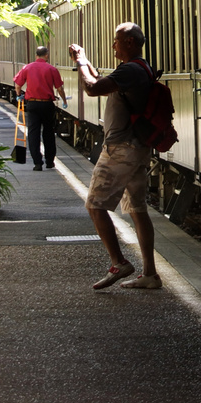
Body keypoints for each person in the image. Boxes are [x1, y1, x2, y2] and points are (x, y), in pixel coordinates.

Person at [68, 23, 162, 291]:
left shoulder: (131, 69)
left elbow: (92, 88)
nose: (113, 46)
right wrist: (87, 65)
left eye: (116, 41)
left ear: (130, 42)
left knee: (95, 205)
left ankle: (118, 262)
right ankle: (150, 275)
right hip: (137, 148)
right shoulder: (140, 68)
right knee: (137, 208)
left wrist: (81, 61)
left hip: (121, 149)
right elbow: (103, 83)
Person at [13, 45, 66, 171]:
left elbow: (17, 85)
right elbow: (59, 88)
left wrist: (19, 95)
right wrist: (64, 100)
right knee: (48, 132)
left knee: (33, 133)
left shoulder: (27, 67)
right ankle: (49, 161)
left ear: (36, 55)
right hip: (47, 104)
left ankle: (37, 163)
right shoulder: (52, 69)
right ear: (46, 55)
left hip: (32, 104)